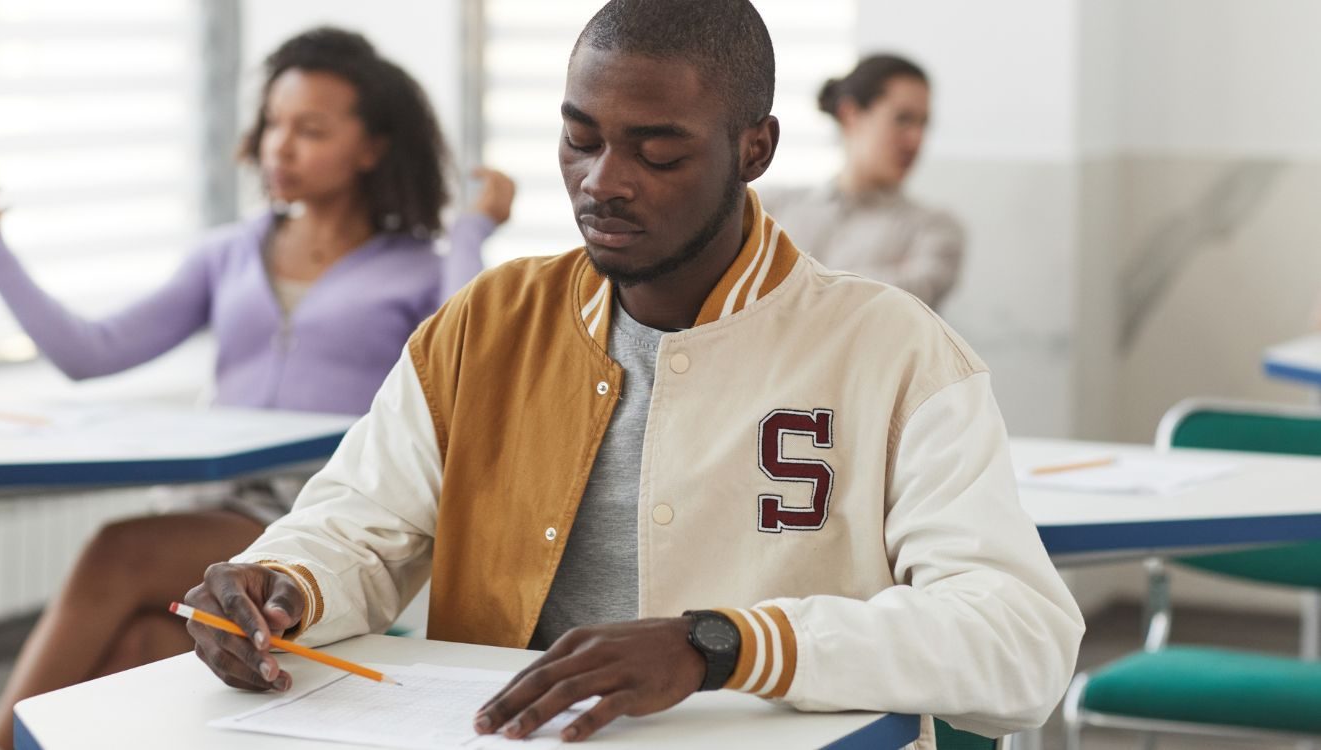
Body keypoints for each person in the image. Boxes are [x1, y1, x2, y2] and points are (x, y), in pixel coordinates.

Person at [185, 2, 1083, 747]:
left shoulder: (891, 350)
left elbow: (1025, 640)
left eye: (657, 153)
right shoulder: (488, 324)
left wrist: (721, 645)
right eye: (580, 139)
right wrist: (283, 583)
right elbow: (358, 530)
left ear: (753, 150)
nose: (602, 182)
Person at [0, 28, 515, 750]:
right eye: (274, 123)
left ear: (373, 148)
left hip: (314, 517)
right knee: (142, 646)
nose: (280, 146)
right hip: (209, 507)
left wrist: (469, 231)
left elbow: (478, 365)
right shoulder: (228, 254)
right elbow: (87, 353)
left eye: (310, 129)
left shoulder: (418, 271)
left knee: (119, 550)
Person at [761, 53, 964, 308]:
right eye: (903, 119)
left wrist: (782, 282)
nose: (917, 139)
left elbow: (900, 304)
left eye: (924, 124)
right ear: (850, 115)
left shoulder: (936, 229)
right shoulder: (770, 207)